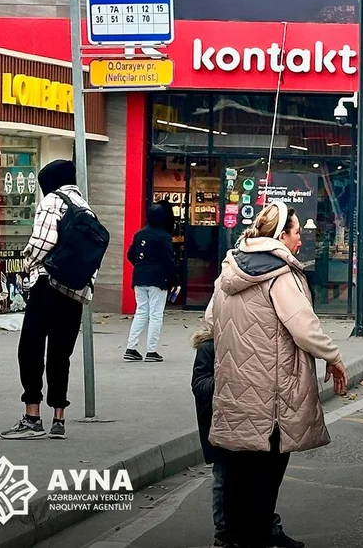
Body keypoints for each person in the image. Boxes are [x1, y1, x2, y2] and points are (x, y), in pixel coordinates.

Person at [207, 201, 349, 548]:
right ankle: (258, 537)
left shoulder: (229, 269)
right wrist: (334, 356)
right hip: (272, 394)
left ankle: (236, 536)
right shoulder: (281, 274)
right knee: (268, 473)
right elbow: (304, 328)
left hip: (235, 389)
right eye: (297, 233)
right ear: (281, 236)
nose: (300, 241)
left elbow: (210, 323)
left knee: (239, 471)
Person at [0, 160, 97, 440]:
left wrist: (27, 262)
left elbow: (41, 243)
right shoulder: (86, 208)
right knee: (60, 354)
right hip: (75, 291)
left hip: (48, 284)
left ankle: (32, 416)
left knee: (30, 347)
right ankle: (59, 419)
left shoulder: (53, 201)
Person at [191, 323, 304, 548]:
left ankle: (266, 528)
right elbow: (199, 384)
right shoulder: (209, 346)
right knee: (223, 478)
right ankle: (223, 532)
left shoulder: (252, 345)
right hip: (220, 425)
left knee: (261, 481)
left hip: (251, 422)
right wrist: (228, 378)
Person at [125, 203, 178, 362]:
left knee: (141, 312)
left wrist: (142, 267)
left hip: (139, 278)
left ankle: (131, 347)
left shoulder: (139, 233)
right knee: (156, 314)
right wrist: (175, 279)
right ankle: (151, 350)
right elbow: (168, 260)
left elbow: (130, 255)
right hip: (158, 279)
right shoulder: (164, 236)